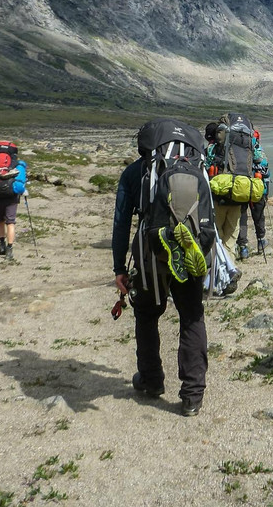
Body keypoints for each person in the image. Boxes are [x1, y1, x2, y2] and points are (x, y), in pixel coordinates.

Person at [112, 121, 215, 417]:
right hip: (192, 250)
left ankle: (152, 380)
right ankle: (192, 396)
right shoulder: (197, 168)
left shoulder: (135, 173)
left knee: (146, 314)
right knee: (191, 315)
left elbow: (121, 222)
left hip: (150, 254)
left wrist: (119, 266)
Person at [205, 122, 246, 254]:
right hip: (237, 196)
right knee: (232, 235)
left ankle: (219, 262)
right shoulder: (242, 150)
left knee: (218, 232)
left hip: (218, 197)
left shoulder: (213, 149)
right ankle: (231, 264)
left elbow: (205, 166)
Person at [237, 129, 270, 257]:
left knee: (242, 217)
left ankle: (243, 247)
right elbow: (266, 171)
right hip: (258, 187)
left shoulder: (238, 151)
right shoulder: (258, 150)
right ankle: (261, 241)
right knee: (259, 216)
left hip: (242, 187)